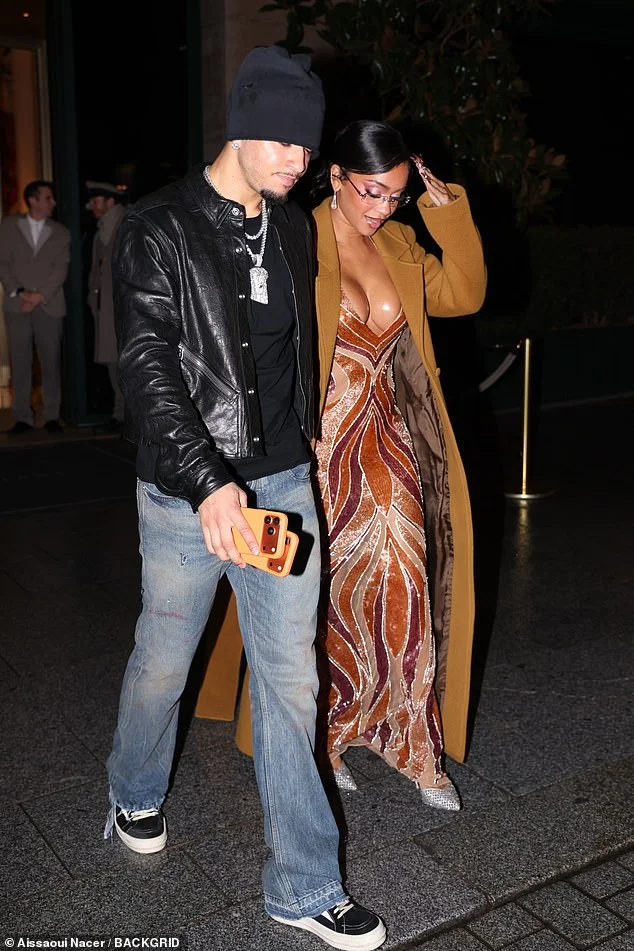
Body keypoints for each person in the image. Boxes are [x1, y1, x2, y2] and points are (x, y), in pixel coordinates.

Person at [106, 47, 386, 951]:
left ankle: (304, 884)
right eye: (284, 144)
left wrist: (303, 436)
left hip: (281, 485)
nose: (299, 162)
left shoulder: (293, 225)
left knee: (291, 678)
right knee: (165, 657)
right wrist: (208, 482)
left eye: (307, 148)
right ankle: (132, 788)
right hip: (185, 494)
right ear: (239, 127)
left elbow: (293, 345)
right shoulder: (158, 228)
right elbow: (147, 367)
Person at [312, 120, 486, 807]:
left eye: (395, 195)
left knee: (408, 579)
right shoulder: (295, 237)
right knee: (327, 594)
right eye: (371, 192)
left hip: (386, 439)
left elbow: (464, 294)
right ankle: (329, 732)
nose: (383, 207)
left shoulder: (401, 242)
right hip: (316, 447)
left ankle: (413, 742)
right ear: (336, 176)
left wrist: (445, 209)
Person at [0, 180, 70, 434]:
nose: (53, 202)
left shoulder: (61, 232)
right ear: (33, 200)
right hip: (16, 304)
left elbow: (60, 269)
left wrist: (39, 296)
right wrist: (21, 293)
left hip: (49, 305)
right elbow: (3, 264)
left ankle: (52, 415)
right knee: (20, 362)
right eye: (48, 197)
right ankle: (22, 417)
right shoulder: (8, 226)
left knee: (50, 362)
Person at [86, 180, 128, 432]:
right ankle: (119, 414)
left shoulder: (127, 223)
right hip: (107, 308)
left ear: (111, 202)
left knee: (124, 361)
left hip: (123, 309)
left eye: (96, 200)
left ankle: (125, 416)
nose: (90, 205)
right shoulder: (103, 229)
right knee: (113, 361)